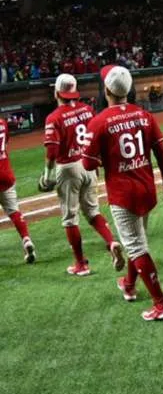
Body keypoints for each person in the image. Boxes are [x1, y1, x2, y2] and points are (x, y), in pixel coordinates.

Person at [83, 66, 163, 321]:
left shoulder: (99, 121)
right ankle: (129, 284)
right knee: (137, 241)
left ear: (106, 90)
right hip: (147, 188)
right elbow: (161, 152)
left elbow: (87, 164)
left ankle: (161, 302)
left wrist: (106, 158)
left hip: (122, 192)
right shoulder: (145, 116)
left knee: (136, 247)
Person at [42, 73, 123, 276]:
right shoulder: (88, 110)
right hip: (88, 165)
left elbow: (52, 152)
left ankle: (81, 264)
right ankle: (111, 241)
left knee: (70, 218)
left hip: (68, 168)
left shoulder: (54, 117)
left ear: (57, 92)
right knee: (93, 211)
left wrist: (47, 175)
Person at [0, 115, 36, 264]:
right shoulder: (2, 122)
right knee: (14, 211)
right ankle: (26, 239)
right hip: (5, 172)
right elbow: (6, 141)